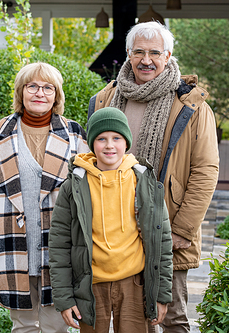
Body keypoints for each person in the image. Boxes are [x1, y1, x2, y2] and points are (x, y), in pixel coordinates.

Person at [88, 22, 219, 333]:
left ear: (168, 55)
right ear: (129, 55)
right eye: (139, 52)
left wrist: (183, 230)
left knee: (171, 318)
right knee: (130, 319)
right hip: (117, 233)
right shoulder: (105, 100)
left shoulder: (192, 106)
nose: (146, 60)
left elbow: (206, 171)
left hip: (169, 229)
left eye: (154, 53)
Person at [0, 62, 89, 333]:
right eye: (32, 86)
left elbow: (89, 188)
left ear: (57, 95)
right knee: (22, 325)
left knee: (56, 324)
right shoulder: (0, 133)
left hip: (60, 243)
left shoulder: (73, 134)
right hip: (10, 239)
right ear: (21, 92)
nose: (40, 93)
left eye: (48, 87)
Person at [48, 107, 173, 333]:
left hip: (135, 283)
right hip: (91, 284)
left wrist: (162, 294)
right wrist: (64, 298)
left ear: (126, 142)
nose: (109, 145)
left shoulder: (144, 182)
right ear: (91, 144)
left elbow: (162, 241)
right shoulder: (74, 185)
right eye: (101, 138)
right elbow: (59, 245)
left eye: (116, 138)